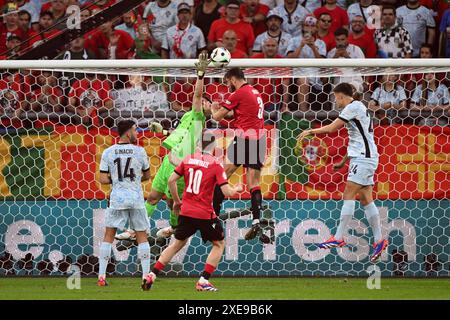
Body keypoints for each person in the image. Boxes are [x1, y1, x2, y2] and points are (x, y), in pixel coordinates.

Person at [115, 52, 212, 241]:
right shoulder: (188, 116)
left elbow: (198, 95)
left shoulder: (200, 117)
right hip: (169, 161)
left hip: (181, 168)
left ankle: (175, 228)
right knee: (152, 197)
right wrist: (164, 132)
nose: (205, 103)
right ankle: (135, 230)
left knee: (173, 204)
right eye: (205, 101)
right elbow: (182, 137)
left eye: (208, 102)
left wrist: (200, 75)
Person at [298, 82, 389, 263]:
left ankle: (339, 237)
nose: (335, 101)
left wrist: (310, 130)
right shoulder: (359, 107)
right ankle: (379, 240)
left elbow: (332, 128)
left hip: (364, 158)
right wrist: (343, 161)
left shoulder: (353, 107)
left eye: (336, 97)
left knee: (348, 192)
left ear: (341, 96)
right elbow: (358, 139)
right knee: (365, 198)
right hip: (364, 157)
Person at [143, 132, 242, 292]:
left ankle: (151, 275)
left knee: (176, 244)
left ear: (197, 145)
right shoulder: (215, 164)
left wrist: (176, 201)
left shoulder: (187, 160)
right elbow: (226, 191)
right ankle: (203, 280)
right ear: (213, 147)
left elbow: (170, 180)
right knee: (219, 244)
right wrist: (235, 189)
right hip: (204, 213)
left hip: (186, 211)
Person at [210, 67, 269, 243]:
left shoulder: (238, 93)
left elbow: (217, 117)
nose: (227, 86)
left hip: (244, 138)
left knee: (221, 176)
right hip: (259, 138)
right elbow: (238, 114)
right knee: (254, 183)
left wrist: (213, 109)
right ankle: (257, 220)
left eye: (227, 82)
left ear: (233, 79)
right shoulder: (254, 91)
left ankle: (213, 217)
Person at [98, 119, 152, 289]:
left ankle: (101, 276)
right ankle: (145, 276)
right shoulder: (140, 152)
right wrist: (134, 179)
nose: (137, 133)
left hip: (117, 198)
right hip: (136, 198)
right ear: (128, 132)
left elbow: (102, 179)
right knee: (142, 236)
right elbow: (147, 175)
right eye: (135, 130)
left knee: (109, 235)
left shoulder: (108, 152)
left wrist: (116, 179)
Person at [286, 16, 326, 111]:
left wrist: (313, 48)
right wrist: (301, 46)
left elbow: (323, 64)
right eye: (307, 25)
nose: (309, 28)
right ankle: (303, 113)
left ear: (316, 28)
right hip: (297, 77)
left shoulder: (321, 43)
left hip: (315, 79)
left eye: (312, 26)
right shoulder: (294, 40)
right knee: (303, 80)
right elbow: (289, 59)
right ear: (303, 27)